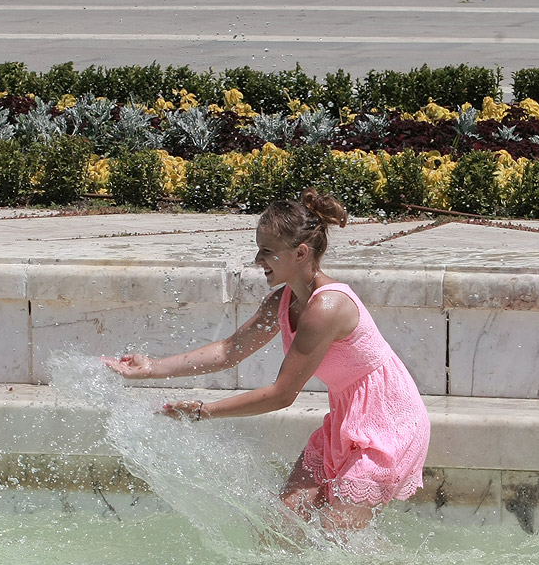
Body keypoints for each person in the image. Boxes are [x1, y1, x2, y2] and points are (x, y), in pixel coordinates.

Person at [102, 188, 430, 536]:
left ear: (301, 253)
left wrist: (203, 412)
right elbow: (230, 350)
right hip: (347, 418)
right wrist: (152, 367)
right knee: (280, 527)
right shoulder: (282, 302)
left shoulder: (327, 308)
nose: (258, 260)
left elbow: (282, 394)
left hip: (390, 421)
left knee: (339, 533)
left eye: (268, 252)